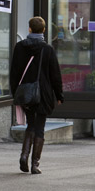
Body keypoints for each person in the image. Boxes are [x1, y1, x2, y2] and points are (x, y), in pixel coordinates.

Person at [10, 16, 64, 174]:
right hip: (43, 94)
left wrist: (16, 93)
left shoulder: (20, 47)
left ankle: (24, 155)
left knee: (31, 125)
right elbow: (55, 75)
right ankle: (35, 164)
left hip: (26, 94)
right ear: (44, 30)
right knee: (39, 128)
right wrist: (59, 95)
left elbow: (14, 72)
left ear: (29, 29)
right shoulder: (47, 49)